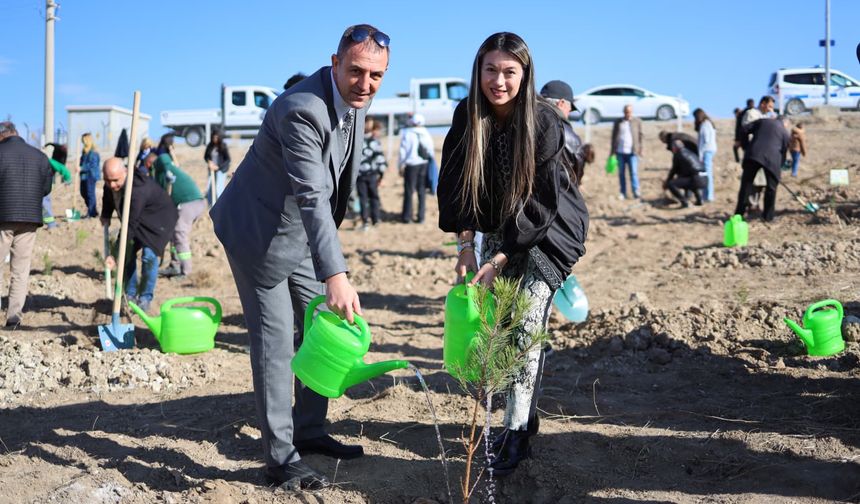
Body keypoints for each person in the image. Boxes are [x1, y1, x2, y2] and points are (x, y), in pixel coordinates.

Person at [210, 23, 390, 490]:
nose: (365, 84)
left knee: (322, 327)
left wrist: (326, 265)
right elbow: (312, 193)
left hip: (301, 238)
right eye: (356, 72)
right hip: (260, 235)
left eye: (376, 76)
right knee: (276, 346)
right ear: (335, 63)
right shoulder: (300, 109)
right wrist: (336, 271)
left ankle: (309, 430)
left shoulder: (353, 101)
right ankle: (281, 459)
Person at [437, 32, 588, 478]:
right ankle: (524, 415)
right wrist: (466, 247)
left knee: (525, 324)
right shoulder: (468, 114)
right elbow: (456, 184)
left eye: (509, 72)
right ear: (478, 70)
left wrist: (500, 257)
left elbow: (543, 201)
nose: (498, 81)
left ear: (525, 74)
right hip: (498, 228)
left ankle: (517, 432)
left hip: (550, 231)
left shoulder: (544, 121)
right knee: (499, 328)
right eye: (490, 70)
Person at [101, 157, 177, 313]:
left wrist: (114, 255)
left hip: (159, 220)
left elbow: (130, 225)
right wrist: (106, 214)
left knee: (148, 256)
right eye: (108, 180)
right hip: (139, 219)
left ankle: (145, 298)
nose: (112, 185)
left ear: (125, 172)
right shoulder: (111, 184)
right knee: (127, 254)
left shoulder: (137, 190)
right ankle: (130, 294)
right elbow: (108, 197)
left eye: (115, 180)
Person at [0, 122, 53, 327]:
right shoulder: (39, 156)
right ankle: (14, 317)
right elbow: (46, 188)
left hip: (3, 217)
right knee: (20, 269)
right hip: (30, 219)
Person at [148, 153, 207, 278]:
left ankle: (186, 271)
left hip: (188, 204)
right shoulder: (169, 169)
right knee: (174, 234)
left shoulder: (163, 172)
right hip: (192, 203)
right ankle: (175, 265)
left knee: (180, 234)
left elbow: (161, 196)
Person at [734, 117, 790, 222]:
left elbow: (744, 129)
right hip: (772, 160)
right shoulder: (785, 133)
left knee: (746, 185)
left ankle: (739, 215)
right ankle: (768, 217)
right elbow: (783, 153)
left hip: (753, 155)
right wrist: (778, 169)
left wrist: (746, 146)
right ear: (785, 123)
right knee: (771, 188)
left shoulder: (763, 121)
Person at [539, 79, 594, 185]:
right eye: (570, 109)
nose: (569, 113)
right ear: (561, 103)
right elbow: (575, 180)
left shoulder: (523, 124)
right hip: (556, 198)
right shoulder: (569, 136)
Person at [399, 113, 434, 223]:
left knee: (409, 191)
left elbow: (402, 152)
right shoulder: (425, 133)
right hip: (423, 164)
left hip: (411, 165)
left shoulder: (407, 133)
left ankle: (407, 217)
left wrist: (400, 165)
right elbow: (430, 150)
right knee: (421, 191)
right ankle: (421, 217)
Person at [357, 117, 386, 229]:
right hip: (368, 174)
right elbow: (380, 159)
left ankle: (367, 221)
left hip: (363, 174)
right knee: (372, 197)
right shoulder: (374, 141)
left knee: (365, 198)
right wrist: (381, 173)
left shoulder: (358, 140)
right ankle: (374, 220)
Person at [610, 104, 643, 199]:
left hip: (632, 152)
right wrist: (612, 151)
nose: (628, 114)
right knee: (621, 173)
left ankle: (636, 191)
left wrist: (640, 149)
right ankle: (623, 192)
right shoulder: (618, 122)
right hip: (620, 152)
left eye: (629, 112)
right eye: (626, 112)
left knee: (633, 172)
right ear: (624, 112)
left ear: (631, 112)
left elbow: (640, 136)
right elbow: (613, 137)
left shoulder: (637, 121)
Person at [663, 140, 707, 207]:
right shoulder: (690, 152)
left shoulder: (678, 155)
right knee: (688, 180)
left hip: (696, 179)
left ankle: (684, 202)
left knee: (671, 184)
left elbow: (673, 170)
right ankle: (699, 200)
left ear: (674, 148)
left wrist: (667, 182)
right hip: (704, 178)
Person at [43, 142, 72, 229]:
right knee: (45, 202)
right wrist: (68, 181)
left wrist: (46, 146)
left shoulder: (50, 161)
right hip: (43, 183)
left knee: (43, 203)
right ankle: (51, 224)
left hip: (41, 182)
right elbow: (65, 171)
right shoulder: (53, 162)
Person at [693, 108, 717, 202]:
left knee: (707, 174)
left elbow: (705, 141)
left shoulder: (705, 124)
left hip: (707, 151)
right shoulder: (708, 123)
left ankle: (709, 196)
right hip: (709, 150)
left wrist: (701, 155)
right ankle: (706, 195)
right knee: (706, 174)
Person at [204, 130, 231, 206]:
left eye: (216, 137)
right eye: (214, 137)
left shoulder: (223, 146)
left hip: (221, 170)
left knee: (219, 187)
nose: (215, 139)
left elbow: (228, 160)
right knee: (210, 187)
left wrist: (218, 167)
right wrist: (209, 162)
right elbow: (206, 156)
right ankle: (210, 204)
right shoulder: (210, 146)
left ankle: (220, 204)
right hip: (211, 170)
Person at [79, 132, 101, 217]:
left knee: (90, 193)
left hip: (91, 175)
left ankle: (91, 212)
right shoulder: (84, 151)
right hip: (84, 176)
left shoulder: (93, 152)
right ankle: (93, 211)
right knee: (83, 193)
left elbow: (93, 165)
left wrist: (82, 168)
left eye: (83, 140)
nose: (82, 142)